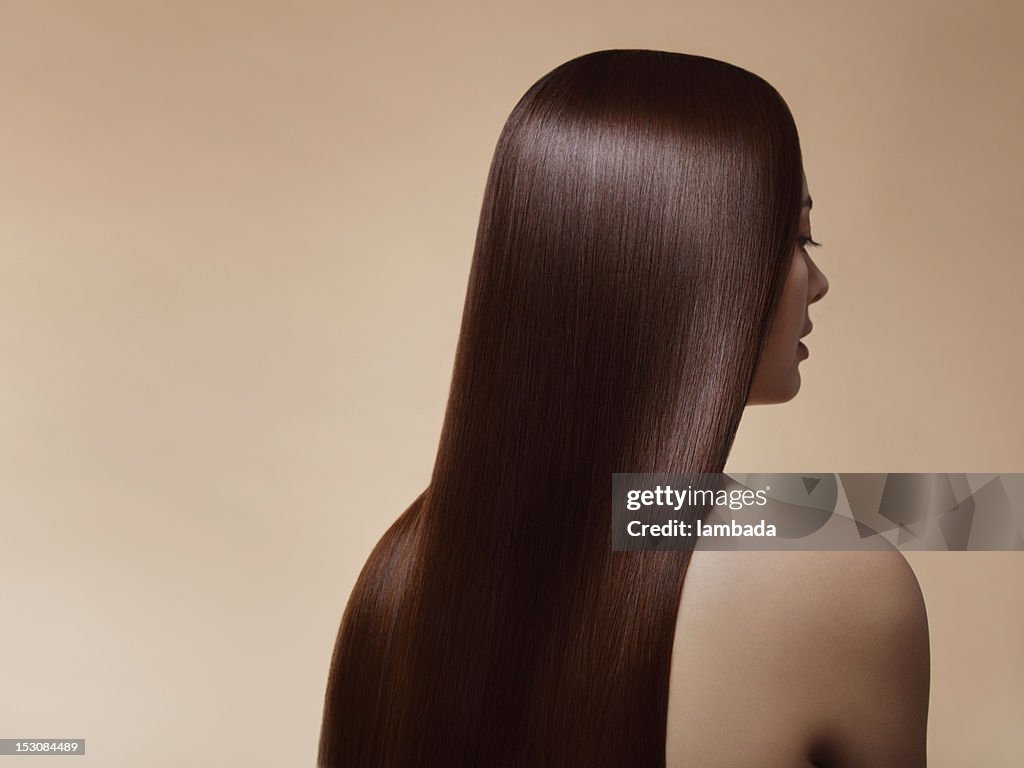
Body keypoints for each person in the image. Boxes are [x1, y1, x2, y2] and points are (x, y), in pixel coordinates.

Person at [319, 49, 930, 767]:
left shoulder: (396, 577)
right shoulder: (833, 580)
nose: (817, 280)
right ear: (698, 264)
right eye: (796, 237)